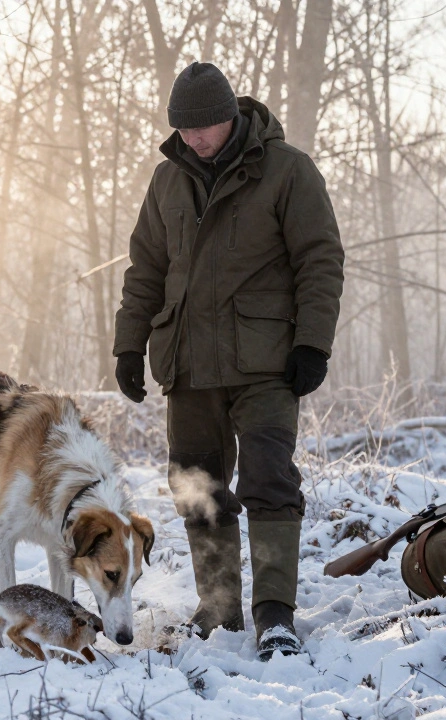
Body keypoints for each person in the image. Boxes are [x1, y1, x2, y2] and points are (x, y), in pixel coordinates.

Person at [112, 61, 344, 660]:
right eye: (184, 130)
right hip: (188, 364)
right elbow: (146, 271)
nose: (194, 139)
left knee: (269, 480)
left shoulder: (287, 170)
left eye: (204, 128)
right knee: (197, 488)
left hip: (266, 364)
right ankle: (218, 610)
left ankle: (274, 616)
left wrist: (312, 343)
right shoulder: (167, 181)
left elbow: (320, 259)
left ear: (230, 116)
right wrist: (129, 345)